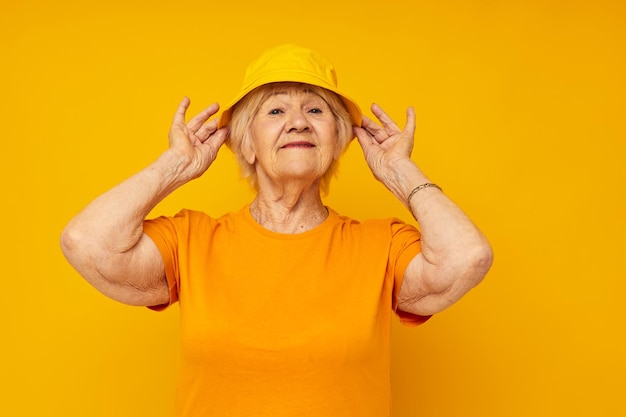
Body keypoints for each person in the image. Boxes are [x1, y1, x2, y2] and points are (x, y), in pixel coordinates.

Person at [60, 44, 493, 416]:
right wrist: (174, 167)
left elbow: (467, 258)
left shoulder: (381, 245)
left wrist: (400, 171)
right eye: (276, 109)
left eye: (316, 109)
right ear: (245, 142)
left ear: (339, 139)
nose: (299, 121)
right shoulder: (192, 240)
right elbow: (87, 243)